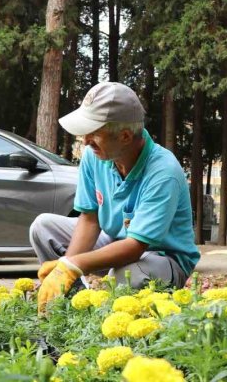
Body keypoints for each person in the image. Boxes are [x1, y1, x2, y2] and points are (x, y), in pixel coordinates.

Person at [30, 81, 199, 313]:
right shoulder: (95, 156)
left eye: (94, 133)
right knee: (43, 227)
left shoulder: (163, 171)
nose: (85, 141)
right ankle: (67, 304)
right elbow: (90, 219)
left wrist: (75, 264)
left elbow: (135, 247)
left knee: (124, 274)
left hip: (162, 258)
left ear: (125, 137)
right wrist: (65, 269)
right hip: (117, 241)